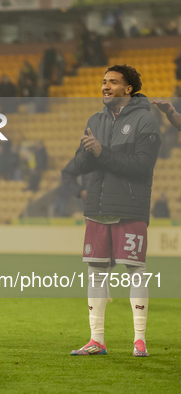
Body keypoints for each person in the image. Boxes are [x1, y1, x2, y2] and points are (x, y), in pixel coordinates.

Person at [68, 65, 160, 357]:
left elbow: (142, 167)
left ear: (128, 89)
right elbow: (80, 165)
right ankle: (96, 340)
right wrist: (86, 153)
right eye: (104, 82)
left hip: (129, 207)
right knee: (95, 274)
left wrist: (100, 153)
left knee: (136, 272)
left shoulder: (146, 120)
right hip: (98, 207)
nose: (105, 86)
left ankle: (139, 340)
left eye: (113, 82)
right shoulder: (95, 119)